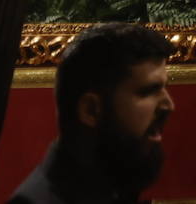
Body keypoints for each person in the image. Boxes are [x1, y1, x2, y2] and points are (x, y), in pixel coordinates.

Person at [9, 23, 176, 203]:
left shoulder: (114, 184)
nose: (169, 105)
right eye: (149, 91)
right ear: (91, 110)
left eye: (164, 88)